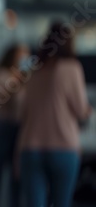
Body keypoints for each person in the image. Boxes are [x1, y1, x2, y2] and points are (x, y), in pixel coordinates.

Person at [18, 21, 93, 207]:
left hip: (30, 148)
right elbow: (80, 110)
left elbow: (24, 112)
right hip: (63, 148)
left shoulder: (34, 70)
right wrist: (89, 110)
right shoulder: (71, 67)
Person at [0, 43, 30, 207]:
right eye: (21, 55)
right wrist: (16, 82)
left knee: (16, 176)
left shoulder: (24, 77)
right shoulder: (2, 74)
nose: (24, 59)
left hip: (18, 129)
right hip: (3, 128)